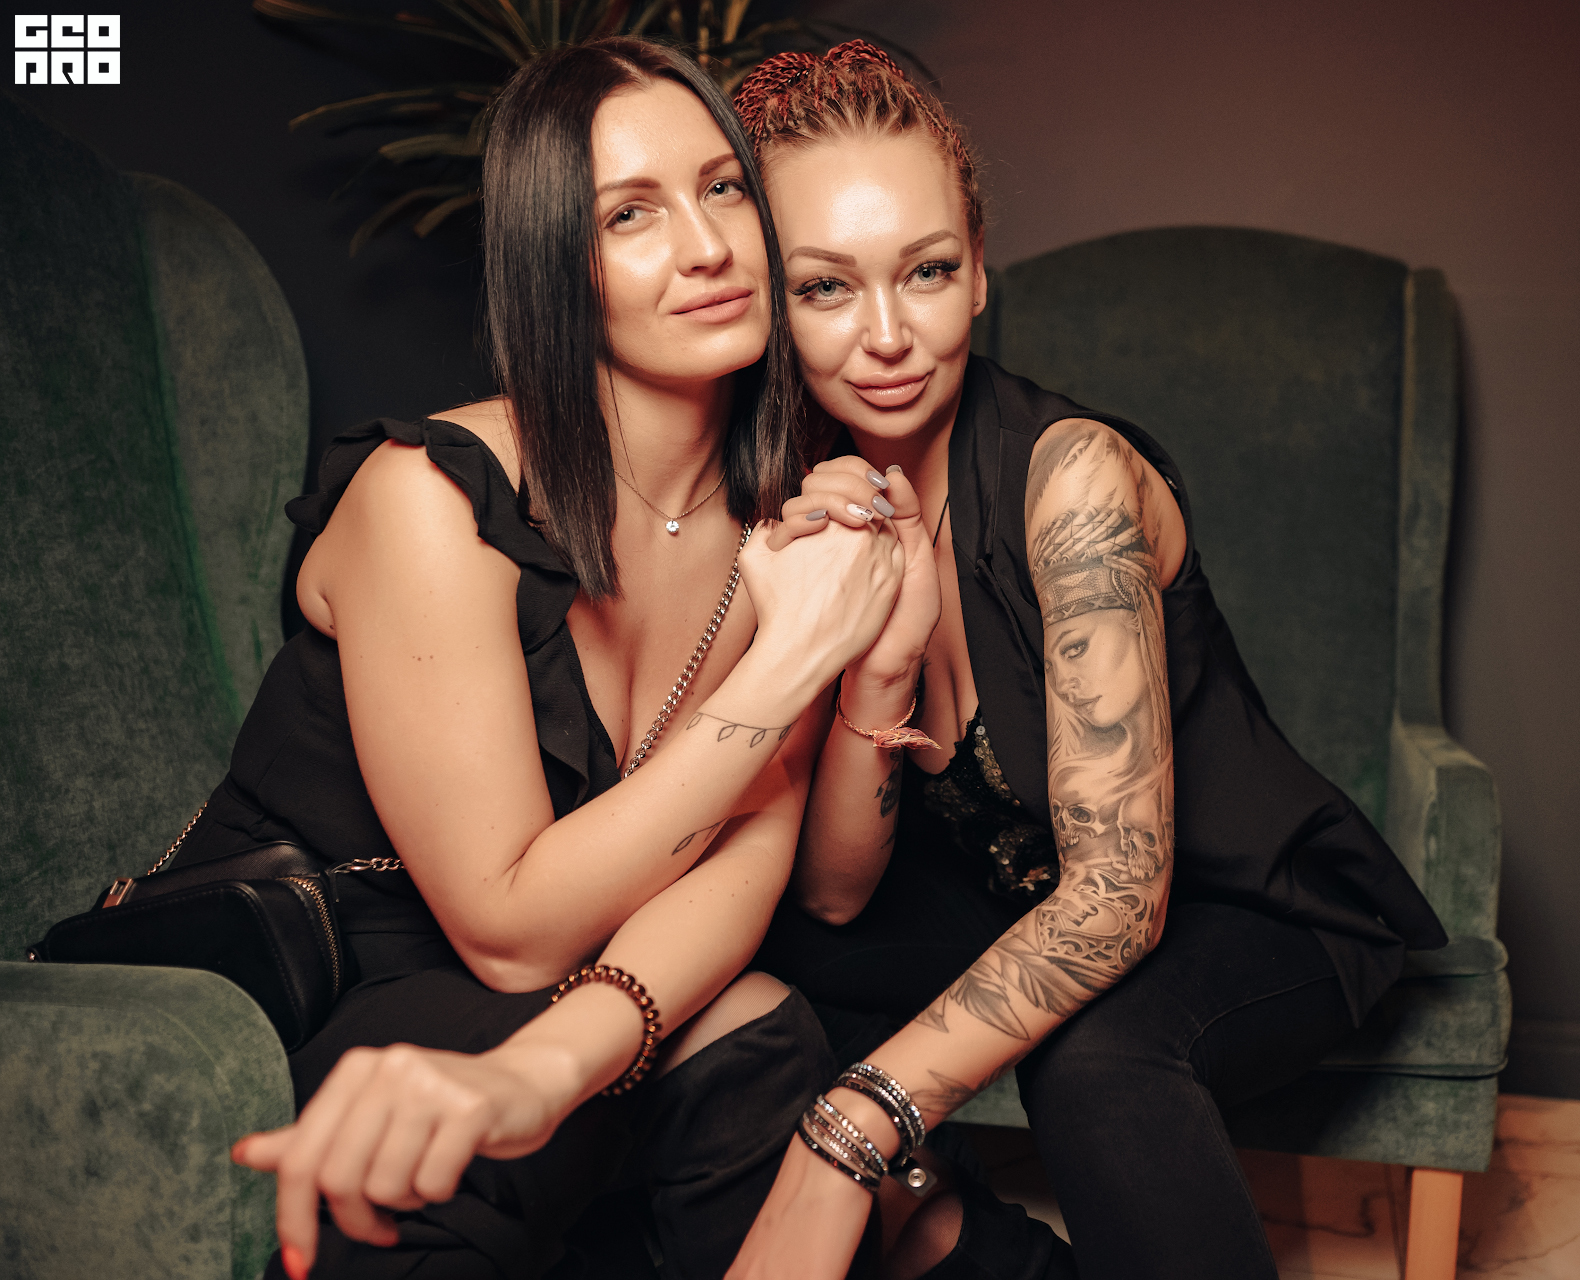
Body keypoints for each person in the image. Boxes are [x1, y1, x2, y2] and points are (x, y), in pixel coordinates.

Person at [727, 43, 1449, 1280]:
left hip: (1248, 909)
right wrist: (875, 663)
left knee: (1099, 1055)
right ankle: (962, 1243)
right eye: (827, 287)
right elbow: (838, 899)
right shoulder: (812, 499)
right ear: (772, 304)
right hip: (1015, 888)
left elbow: (1119, 899)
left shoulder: (1076, 479)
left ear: (980, 269)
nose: (887, 335)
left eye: (927, 271)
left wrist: (853, 1124)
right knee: (747, 973)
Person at [212, 38, 907, 1279]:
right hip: (320, 971)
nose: (707, 245)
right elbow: (510, 931)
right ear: (554, 268)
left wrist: (567, 1050)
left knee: (768, 1039)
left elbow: (744, 867)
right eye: (631, 214)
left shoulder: (783, 518)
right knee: (477, 1146)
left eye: (724, 188)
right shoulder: (430, 497)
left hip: (566, 982)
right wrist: (792, 659)